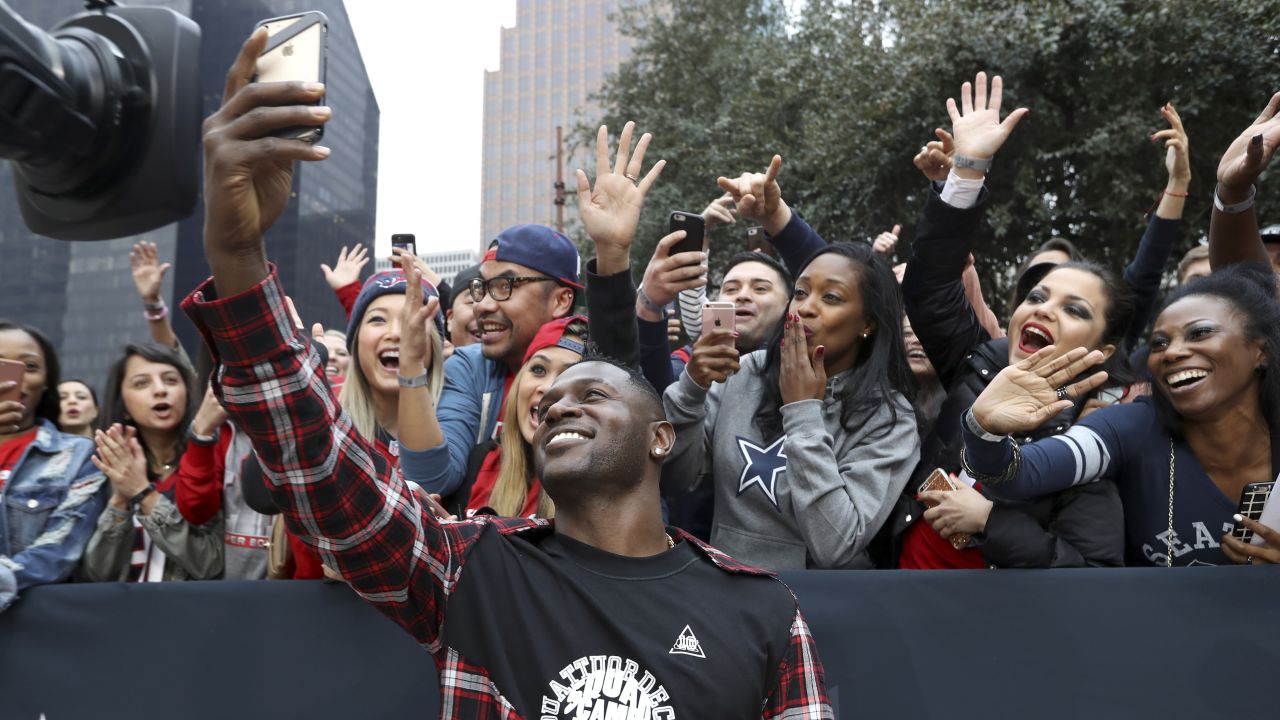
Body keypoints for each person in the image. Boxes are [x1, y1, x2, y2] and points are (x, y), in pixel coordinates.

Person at [187, 32, 831, 717]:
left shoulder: (760, 609)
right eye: (547, 399)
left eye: (591, 392)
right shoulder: (469, 569)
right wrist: (237, 252)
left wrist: (613, 263)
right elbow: (319, 466)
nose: (555, 404)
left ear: (660, 438)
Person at [893, 72, 1137, 569]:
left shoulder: (1094, 439)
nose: (1044, 309)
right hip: (899, 597)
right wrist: (967, 172)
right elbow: (929, 287)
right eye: (1038, 296)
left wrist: (990, 521)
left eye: (1074, 310)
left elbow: (1092, 573)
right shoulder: (980, 364)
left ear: (1104, 350)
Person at [963, 263, 1280, 566]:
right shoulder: (1134, 426)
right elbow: (1020, 474)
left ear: (1260, 351)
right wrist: (984, 430)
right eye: (1159, 343)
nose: (1172, 352)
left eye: (1199, 333)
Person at [412, 225, 581, 497]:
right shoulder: (468, 366)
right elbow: (431, 481)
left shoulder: (598, 372)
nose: (483, 306)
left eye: (505, 286)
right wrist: (411, 370)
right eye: (482, 288)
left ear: (560, 300)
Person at [79, 344, 224, 582]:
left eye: (170, 380)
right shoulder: (101, 469)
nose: (159, 390)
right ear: (123, 406)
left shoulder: (209, 462)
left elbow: (209, 564)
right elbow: (97, 573)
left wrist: (143, 493)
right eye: (141, 383)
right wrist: (120, 499)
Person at [0, 322, 109, 611]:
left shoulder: (78, 455)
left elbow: (60, 549)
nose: (14, 379)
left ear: (47, 381)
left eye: (30, 367)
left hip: (31, 629)